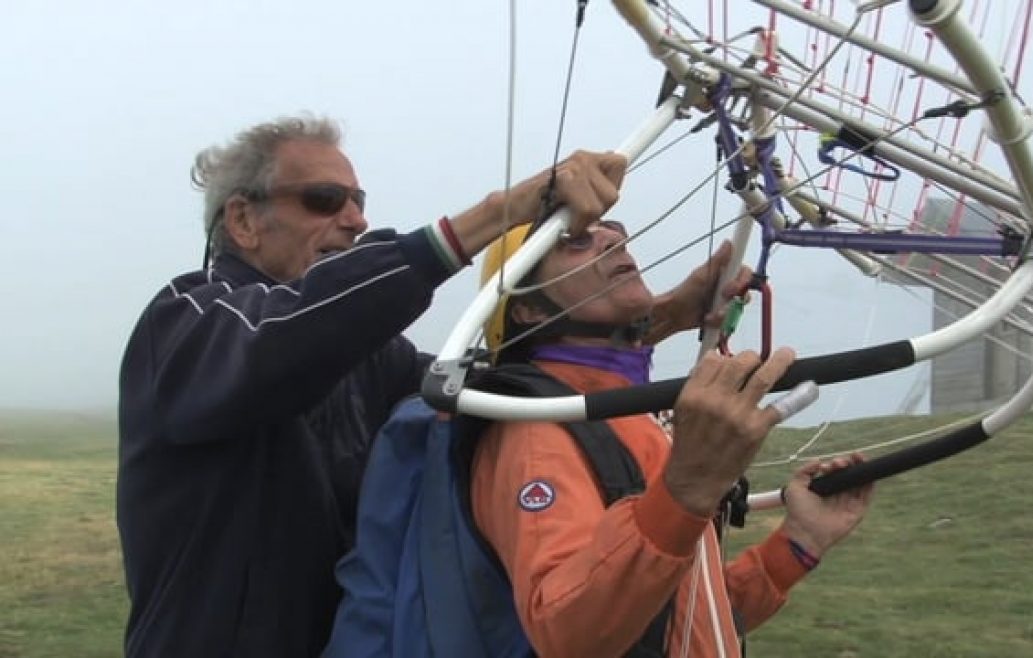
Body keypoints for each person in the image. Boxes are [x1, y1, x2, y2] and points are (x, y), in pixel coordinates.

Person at [115, 115, 740, 658]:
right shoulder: (187, 321)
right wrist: (501, 213)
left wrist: (655, 319)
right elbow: (277, 346)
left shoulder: (365, 360)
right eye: (325, 199)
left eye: (359, 200)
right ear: (244, 219)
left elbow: (494, 386)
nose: (356, 219)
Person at [468, 218, 875, 656]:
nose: (613, 240)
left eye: (616, 233)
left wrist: (799, 544)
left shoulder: (631, 414)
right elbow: (569, 632)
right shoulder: (536, 432)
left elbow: (687, 620)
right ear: (528, 310)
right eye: (576, 242)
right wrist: (687, 489)